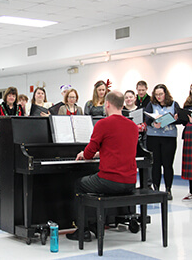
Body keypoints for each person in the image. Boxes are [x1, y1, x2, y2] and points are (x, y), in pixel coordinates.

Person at [66, 91, 139, 241]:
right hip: (130, 181)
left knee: (79, 184)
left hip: (110, 181)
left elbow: (88, 153)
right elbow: (118, 148)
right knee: (94, 181)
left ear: (107, 104)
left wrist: (84, 154)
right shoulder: (132, 126)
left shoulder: (103, 123)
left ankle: (83, 229)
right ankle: (95, 222)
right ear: (122, 104)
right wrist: (100, 154)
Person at [145, 84, 180, 200]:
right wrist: (153, 123)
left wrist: (173, 120)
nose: (159, 97)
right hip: (153, 137)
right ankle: (156, 189)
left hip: (169, 137)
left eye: (161, 94)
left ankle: (168, 190)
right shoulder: (151, 104)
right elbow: (147, 118)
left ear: (166, 94)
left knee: (167, 164)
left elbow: (180, 118)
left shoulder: (174, 104)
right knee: (155, 164)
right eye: (156, 94)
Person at [134, 81, 153, 188]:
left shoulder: (150, 101)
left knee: (146, 157)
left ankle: (148, 183)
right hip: (134, 132)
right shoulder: (134, 100)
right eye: (139, 90)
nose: (141, 92)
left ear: (146, 89)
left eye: (143, 90)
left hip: (146, 132)